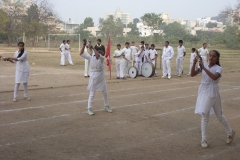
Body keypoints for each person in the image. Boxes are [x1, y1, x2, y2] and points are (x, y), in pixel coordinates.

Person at [191, 50, 235, 148]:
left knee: (207, 115)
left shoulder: (219, 68)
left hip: (212, 92)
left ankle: (204, 139)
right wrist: (194, 63)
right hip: (204, 91)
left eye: (214, 56)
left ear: (217, 59)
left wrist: (203, 68)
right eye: (210, 56)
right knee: (218, 115)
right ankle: (230, 132)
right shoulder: (204, 66)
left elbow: (214, 78)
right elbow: (192, 74)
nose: (211, 58)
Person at [80, 39, 112, 116]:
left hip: (101, 77)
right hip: (94, 77)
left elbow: (98, 55)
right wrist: (84, 45)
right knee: (92, 93)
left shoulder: (101, 57)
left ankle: (106, 105)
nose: (101, 52)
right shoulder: (91, 57)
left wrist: (92, 47)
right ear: (96, 51)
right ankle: (89, 108)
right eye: (99, 51)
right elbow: (81, 54)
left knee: (105, 92)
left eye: (101, 51)